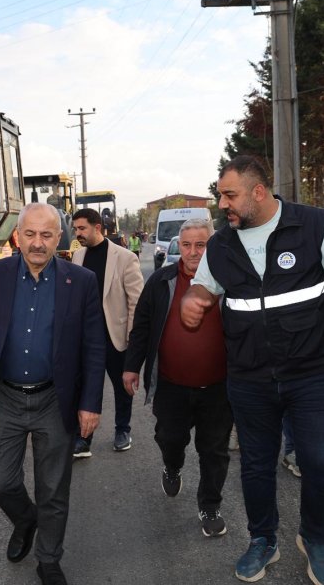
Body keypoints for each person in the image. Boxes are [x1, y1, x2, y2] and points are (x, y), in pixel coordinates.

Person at [181, 156, 324, 585]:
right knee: (256, 464)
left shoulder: (315, 226)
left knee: (322, 461)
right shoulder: (221, 243)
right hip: (249, 377)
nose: (222, 204)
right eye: (220, 195)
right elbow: (204, 287)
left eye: (229, 195)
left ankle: (315, 539)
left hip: (312, 373)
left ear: (258, 192)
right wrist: (193, 300)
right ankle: (263, 540)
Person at [0, 202, 106, 585]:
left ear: (59, 238)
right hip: (3, 397)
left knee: (53, 488)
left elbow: (94, 348)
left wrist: (90, 403)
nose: (38, 243)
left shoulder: (81, 281)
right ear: (17, 236)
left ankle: (49, 559)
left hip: (55, 399)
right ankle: (26, 519)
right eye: (30, 234)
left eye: (46, 235)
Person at [122, 217, 233, 539]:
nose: (193, 251)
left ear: (212, 245)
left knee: (215, 451)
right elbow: (142, 326)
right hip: (171, 386)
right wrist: (131, 366)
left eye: (201, 244)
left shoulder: (231, 281)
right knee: (170, 439)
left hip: (219, 389)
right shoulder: (161, 281)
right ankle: (172, 465)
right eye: (187, 245)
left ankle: (210, 507)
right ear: (179, 247)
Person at [71, 208, 144, 456]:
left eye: (82, 228)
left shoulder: (124, 257)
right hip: (87, 339)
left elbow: (136, 302)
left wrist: (132, 336)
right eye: (76, 229)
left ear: (97, 228)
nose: (78, 233)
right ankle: (84, 439)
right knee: (87, 388)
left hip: (116, 336)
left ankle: (122, 430)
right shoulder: (77, 256)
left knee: (122, 387)